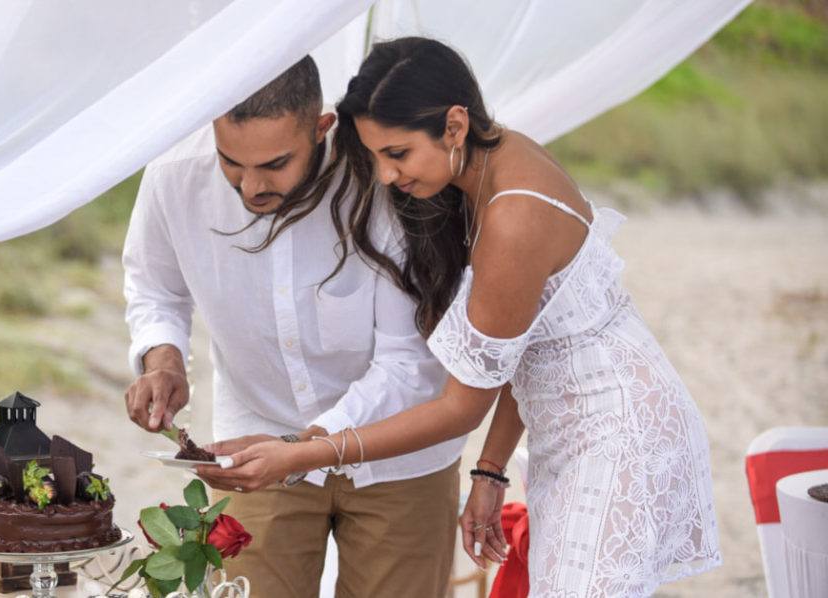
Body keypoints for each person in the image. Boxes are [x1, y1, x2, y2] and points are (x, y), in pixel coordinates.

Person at [215, 38, 722, 596]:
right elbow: (525, 346)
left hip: (619, 432)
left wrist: (302, 454)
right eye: (374, 156)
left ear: (454, 126)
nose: (384, 177)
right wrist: (490, 470)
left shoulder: (513, 216)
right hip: (569, 431)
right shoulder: (495, 162)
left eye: (398, 153)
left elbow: (460, 407)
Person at [121, 56, 468, 598]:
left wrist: (301, 449)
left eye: (276, 163)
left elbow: (408, 363)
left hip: (398, 454)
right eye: (230, 161)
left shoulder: (387, 181)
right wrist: (163, 359)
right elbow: (154, 287)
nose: (251, 186)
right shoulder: (171, 175)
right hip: (255, 450)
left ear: (321, 127)